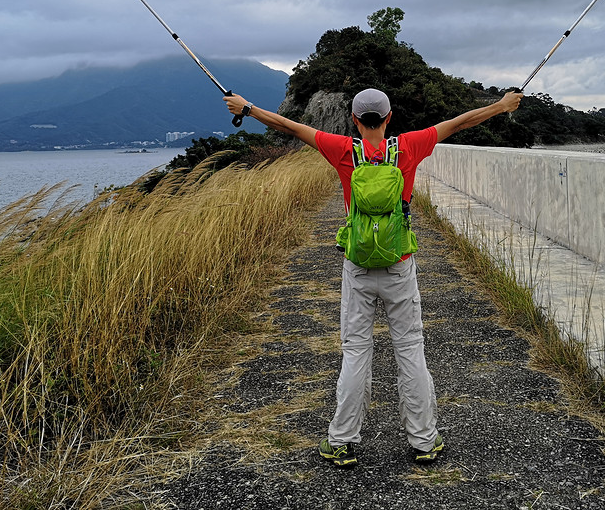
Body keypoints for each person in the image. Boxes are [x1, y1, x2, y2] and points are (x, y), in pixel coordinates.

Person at [223, 87, 523, 468]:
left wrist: (247, 108)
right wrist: (500, 106)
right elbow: (461, 122)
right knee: (410, 349)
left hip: (359, 266)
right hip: (399, 264)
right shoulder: (410, 147)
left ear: (354, 121)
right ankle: (424, 441)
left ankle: (342, 440)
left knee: (356, 351)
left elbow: (290, 126)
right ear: (389, 117)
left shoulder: (344, 150)